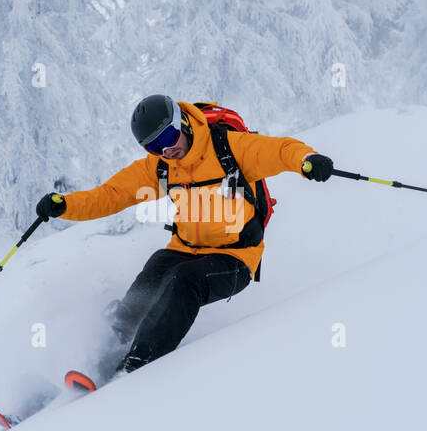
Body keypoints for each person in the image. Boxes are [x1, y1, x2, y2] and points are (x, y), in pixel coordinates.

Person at [35, 95, 333, 380]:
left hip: (236, 257)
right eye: (154, 147)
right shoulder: (163, 167)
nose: (166, 150)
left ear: (184, 124)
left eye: (168, 138)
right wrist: (65, 205)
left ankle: (137, 365)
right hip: (186, 248)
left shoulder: (230, 149)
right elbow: (111, 195)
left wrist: (308, 159)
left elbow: (280, 150)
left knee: (183, 280)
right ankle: (99, 353)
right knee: (155, 270)